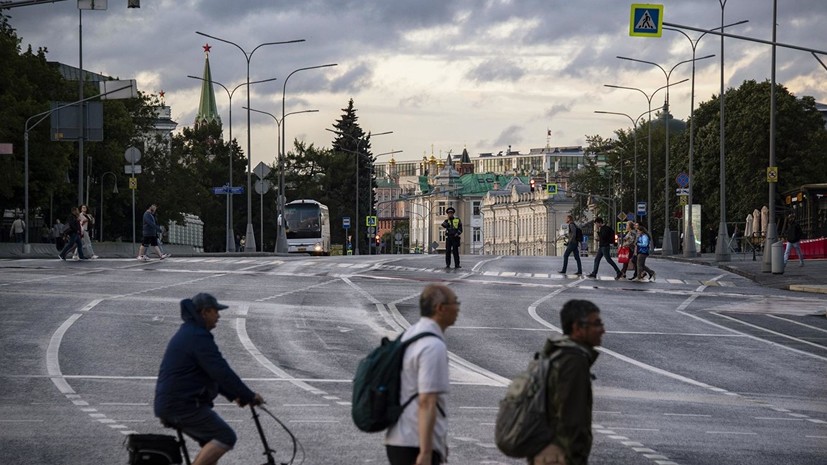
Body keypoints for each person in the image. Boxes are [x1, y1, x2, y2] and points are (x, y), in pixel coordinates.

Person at [154, 293, 264, 465]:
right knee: (225, 436)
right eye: (215, 311)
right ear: (205, 312)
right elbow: (221, 371)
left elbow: (210, 374)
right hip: (182, 405)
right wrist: (248, 395)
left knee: (212, 443)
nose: (219, 315)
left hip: (175, 403)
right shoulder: (197, 337)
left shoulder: (191, 332)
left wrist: (235, 395)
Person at [385, 284, 459, 465]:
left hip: (399, 436)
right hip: (415, 442)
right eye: (455, 302)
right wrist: (426, 451)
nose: (458, 307)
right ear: (440, 308)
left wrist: (439, 443)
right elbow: (427, 401)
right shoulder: (433, 346)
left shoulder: (410, 334)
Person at [531, 300, 604, 465]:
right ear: (577, 328)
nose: (602, 330)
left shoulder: (557, 354)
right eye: (597, 324)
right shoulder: (574, 362)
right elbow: (571, 420)